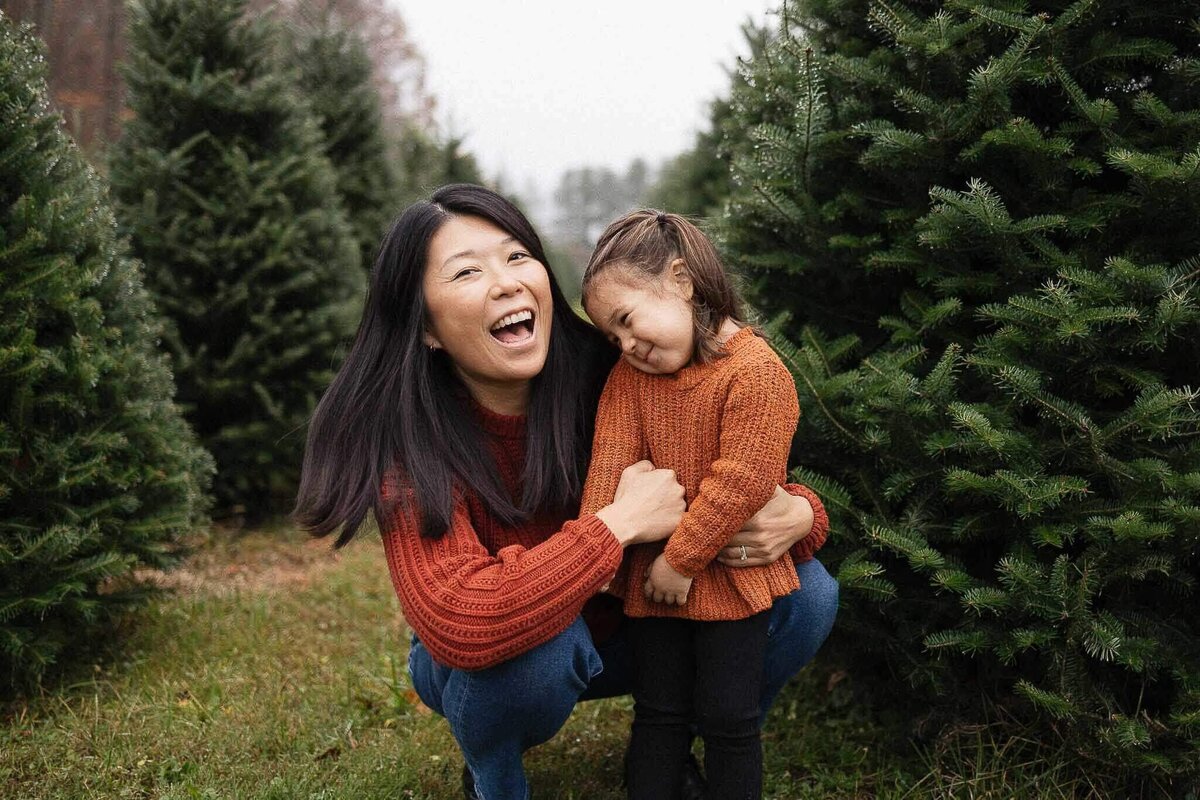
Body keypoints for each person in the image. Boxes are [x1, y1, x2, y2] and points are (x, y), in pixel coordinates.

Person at [292, 184, 838, 800]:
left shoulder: (619, 369)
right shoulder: (410, 442)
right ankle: (493, 778)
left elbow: (731, 467)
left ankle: (690, 741)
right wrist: (616, 525)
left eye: (517, 256)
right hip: (509, 658)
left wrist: (800, 513)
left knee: (806, 596)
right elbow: (460, 621)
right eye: (468, 271)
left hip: (636, 620)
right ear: (427, 330)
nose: (506, 283)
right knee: (537, 651)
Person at [579, 209, 801, 799]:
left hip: (726, 580)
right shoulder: (631, 380)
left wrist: (680, 562)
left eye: (627, 320)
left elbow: (743, 481)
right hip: (653, 593)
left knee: (731, 720)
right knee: (658, 714)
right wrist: (595, 562)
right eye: (612, 337)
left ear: (681, 279)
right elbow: (611, 458)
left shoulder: (756, 373)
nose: (626, 345)